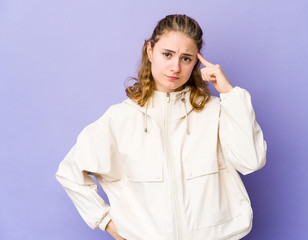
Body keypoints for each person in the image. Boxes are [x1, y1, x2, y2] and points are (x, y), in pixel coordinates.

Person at [55, 14, 267, 240]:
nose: (175, 67)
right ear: (149, 51)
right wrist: (105, 221)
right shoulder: (120, 119)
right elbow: (70, 172)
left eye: (186, 58)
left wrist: (230, 94)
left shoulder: (215, 111)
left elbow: (251, 161)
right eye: (167, 54)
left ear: (196, 61)